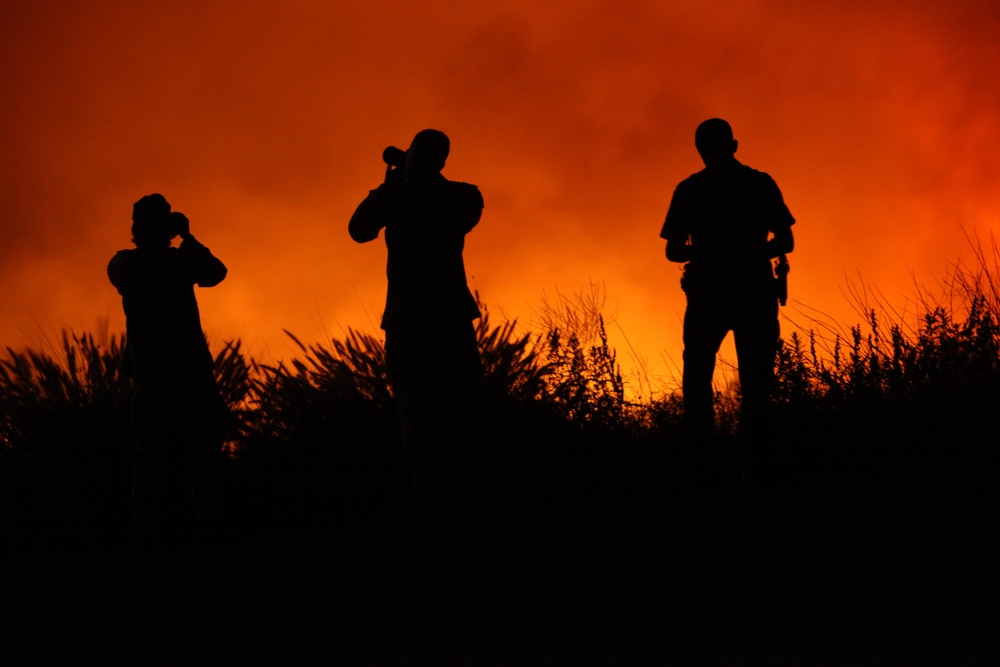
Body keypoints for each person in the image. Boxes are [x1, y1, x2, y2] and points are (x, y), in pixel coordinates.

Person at [349, 129, 485, 519]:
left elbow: (361, 230)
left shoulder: (455, 195)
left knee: (440, 411)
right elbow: (358, 231)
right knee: (432, 411)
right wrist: (389, 189)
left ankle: (454, 500)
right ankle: (450, 501)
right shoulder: (451, 196)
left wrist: (391, 188)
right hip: (436, 318)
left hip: (421, 319)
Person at [660, 118, 795, 471]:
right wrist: (750, 254)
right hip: (752, 291)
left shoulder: (690, 190)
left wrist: (706, 254)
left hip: (709, 294)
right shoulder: (759, 184)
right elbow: (786, 241)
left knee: (699, 372)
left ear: (701, 150)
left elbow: (673, 251)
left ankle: (703, 454)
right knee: (756, 377)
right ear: (734, 145)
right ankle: (757, 455)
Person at [108, 193, 229, 549]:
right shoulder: (129, 264)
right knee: (159, 456)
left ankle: (189, 529)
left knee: (192, 452)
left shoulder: (157, 262)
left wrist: (187, 240)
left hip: (178, 372)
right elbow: (208, 272)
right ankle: (155, 531)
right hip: (163, 373)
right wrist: (185, 241)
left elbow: (215, 274)